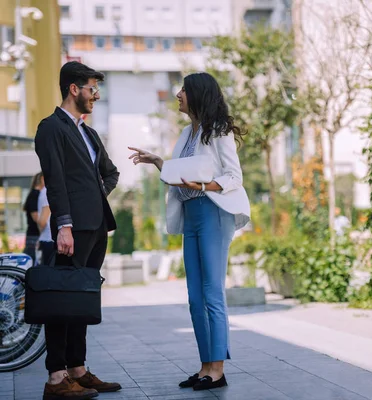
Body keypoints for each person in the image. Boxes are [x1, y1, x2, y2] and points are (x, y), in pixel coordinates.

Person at [128, 72, 250, 391]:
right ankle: (204, 366)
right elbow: (178, 173)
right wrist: (157, 161)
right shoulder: (186, 133)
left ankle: (218, 369)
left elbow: (234, 177)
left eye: (183, 89)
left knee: (211, 292)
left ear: (197, 94)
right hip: (191, 214)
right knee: (194, 296)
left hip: (212, 212)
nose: (178, 94)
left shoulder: (218, 132)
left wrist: (205, 185)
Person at [35, 61, 121, 399]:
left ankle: (78, 369)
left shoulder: (88, 132)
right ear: (74, 89)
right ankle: (56, 378)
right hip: (73, 229)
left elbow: (110, 173)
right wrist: (65, 224)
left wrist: (94, 201)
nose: (96, 95)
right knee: (61, 301)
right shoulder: (50, 128)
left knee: (81, 299)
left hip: (96, 226)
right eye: (91, 88)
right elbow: (55, 181)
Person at [22, 172, 43, 263]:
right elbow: (36, 218)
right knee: (32, 264)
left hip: (34, 236)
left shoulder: (35, 194)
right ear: (42, 179)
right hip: (35, 236)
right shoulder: (35, 195)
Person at [36, 175, 54, 266]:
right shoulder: (49, 191)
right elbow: (44, 219)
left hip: (47, 238)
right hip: (49, 238)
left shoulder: (44, 192)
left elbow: (42, 220)